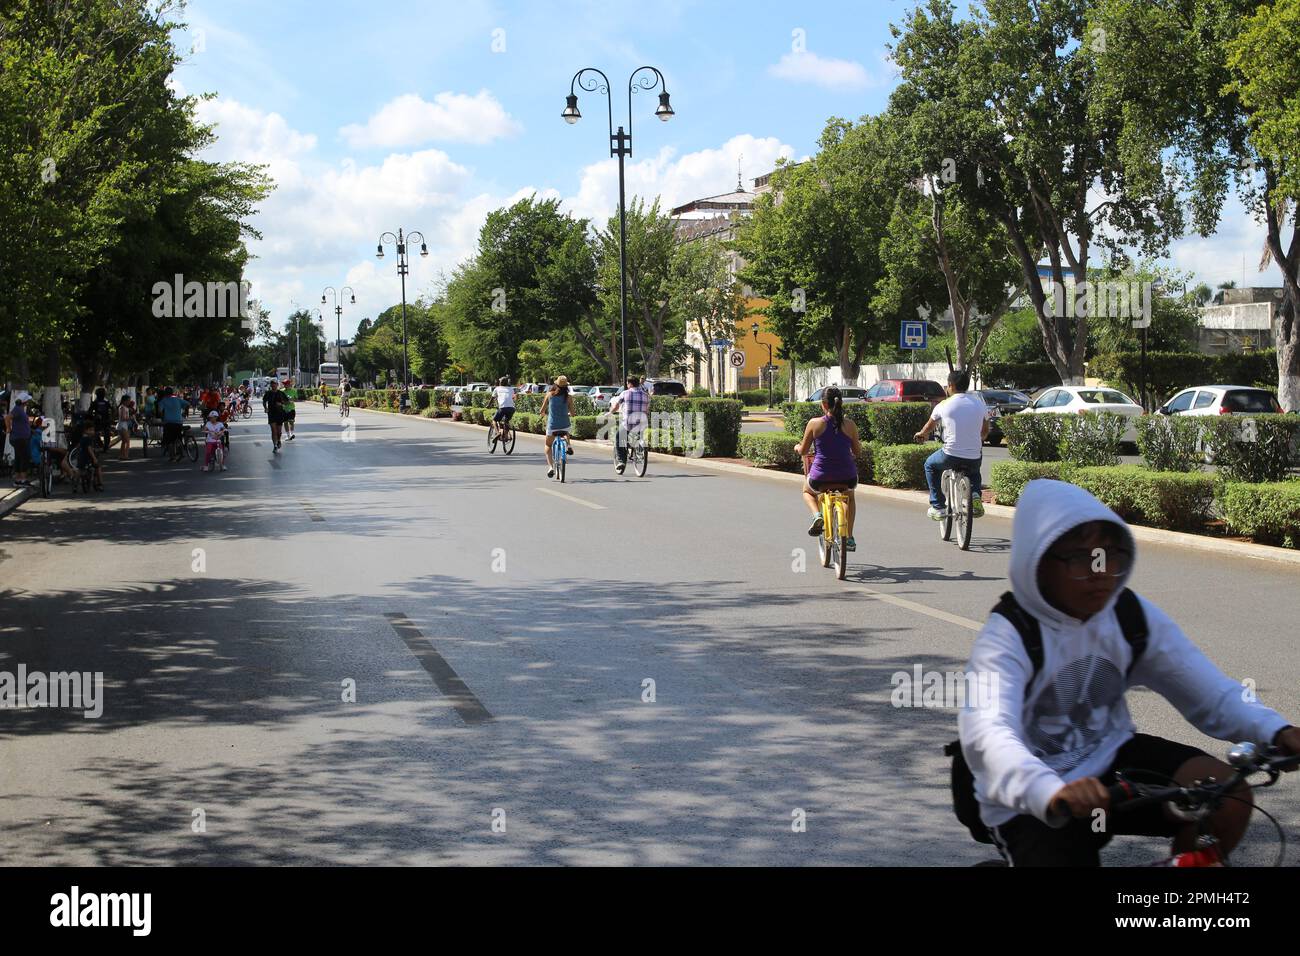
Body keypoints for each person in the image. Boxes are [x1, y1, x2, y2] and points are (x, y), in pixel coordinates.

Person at [957, 480, 1300, 866]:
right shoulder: (1009, 635)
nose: (1100, 572)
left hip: (1111, 761)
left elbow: (1210, 692)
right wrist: (1048, 791)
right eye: (1079, 558)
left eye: (1108, 555)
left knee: (1226, 798)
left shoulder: (1128, 615)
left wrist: (1276, 730)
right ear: (1036, 562)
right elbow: (988, 734)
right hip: (1031, 791)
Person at [793, 384, 862, 552]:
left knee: (807, 491)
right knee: (850, 497)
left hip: (820, 478)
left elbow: (803, 450)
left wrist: (796, 448)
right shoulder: (850, 425)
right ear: (841, 404)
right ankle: (850, 537)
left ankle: (817, 516)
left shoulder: (814, 424)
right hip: (847, 477)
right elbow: (857, 451)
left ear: (823, 404)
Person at [914, 368, 988, 520]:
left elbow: (929, 426)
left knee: (930, 465)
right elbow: (985, 431)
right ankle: (975, 496)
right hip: (974, 454)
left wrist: (921, 434)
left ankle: (938, 506)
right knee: (974, 472)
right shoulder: (979, 403)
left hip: (950, 455)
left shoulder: (943, 405)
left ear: (951, 386)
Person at [609, 376, 649, 475]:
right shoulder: (645, 395)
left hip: (628, 423)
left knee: (619, 437)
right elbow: (647, 409)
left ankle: (622, 461)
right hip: (641, 423)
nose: (627, 385)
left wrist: (610, 413)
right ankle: (638, 448)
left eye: (627, 383)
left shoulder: (625, 393)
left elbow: (616, 406)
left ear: (630, 384)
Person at [541, 375, 575, 478]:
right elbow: (573, 413)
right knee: (566, 431)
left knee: (548, 446)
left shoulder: (549, 395)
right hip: (565, 424)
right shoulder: (568, 397)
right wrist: (570, 414)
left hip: (552, 425)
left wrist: (544, 415)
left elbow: (541, 411)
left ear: (556, 385)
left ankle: (551, 467)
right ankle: (568, 445)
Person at [4, 390, 33, 486]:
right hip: (19, 438)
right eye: (27, 401)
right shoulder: (17, 409)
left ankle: (18, 479)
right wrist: (8, 428)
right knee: (24, 457)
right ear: (23, 401)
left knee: (19, 457)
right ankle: (22, 479)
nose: (28, 403)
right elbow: (7, 418)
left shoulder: (20, 410)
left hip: (20, 437)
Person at [157, 386, 189, 461]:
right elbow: (188, 404)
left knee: (169, 440)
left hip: (168, 422)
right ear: (172, 393)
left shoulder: (163, 401)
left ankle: (172, 456)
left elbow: (159, 411)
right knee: (178, 438)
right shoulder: (177, 399)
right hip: (178, 422)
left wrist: (162, 418)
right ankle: (181, 453)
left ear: (165, 393)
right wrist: (184, 411)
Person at [491, 377, 516, 441]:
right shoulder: (511, 389)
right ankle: (506, 436)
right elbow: (513, 398)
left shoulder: (497, 388)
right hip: (512, 408)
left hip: (502, 407)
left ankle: (497, 433)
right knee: (506, 421)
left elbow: (492, 398)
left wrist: (488, 405)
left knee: (494, 420)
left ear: (500, 383)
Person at [265, 380, 287, 451]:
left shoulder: (281, 393)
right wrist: (265, 408)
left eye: (275, 384)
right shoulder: (268, 393)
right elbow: (264, 401)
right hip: (271, 413)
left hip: (279, 413)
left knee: (279, 431)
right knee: (273, 430)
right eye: (272, 385)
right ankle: (274, 445)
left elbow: (287, 402)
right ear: (271, 386)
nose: (273, 386)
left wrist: (281, 404)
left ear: (277, 385)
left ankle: (279, 440)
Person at [90, 387, 113, 452]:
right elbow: (112, 409)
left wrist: (93, 416)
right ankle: (104, 447)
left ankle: (103, 446)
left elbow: (90, 411)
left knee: (98, 434)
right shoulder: (105, 402)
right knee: (104, 435)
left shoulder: (96, 402)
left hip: (101, 420)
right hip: (103, 420)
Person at [115, 395, 134, 461]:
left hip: (122, 425)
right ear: (124, 401)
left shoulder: (124, 407)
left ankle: (121, 455)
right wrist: (130, 418)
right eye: (128, 400)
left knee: (123, 441)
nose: (129, 402)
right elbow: (123, 418)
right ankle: (125, 455)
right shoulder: (122, 407)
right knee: (127, 441)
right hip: (122, 425)